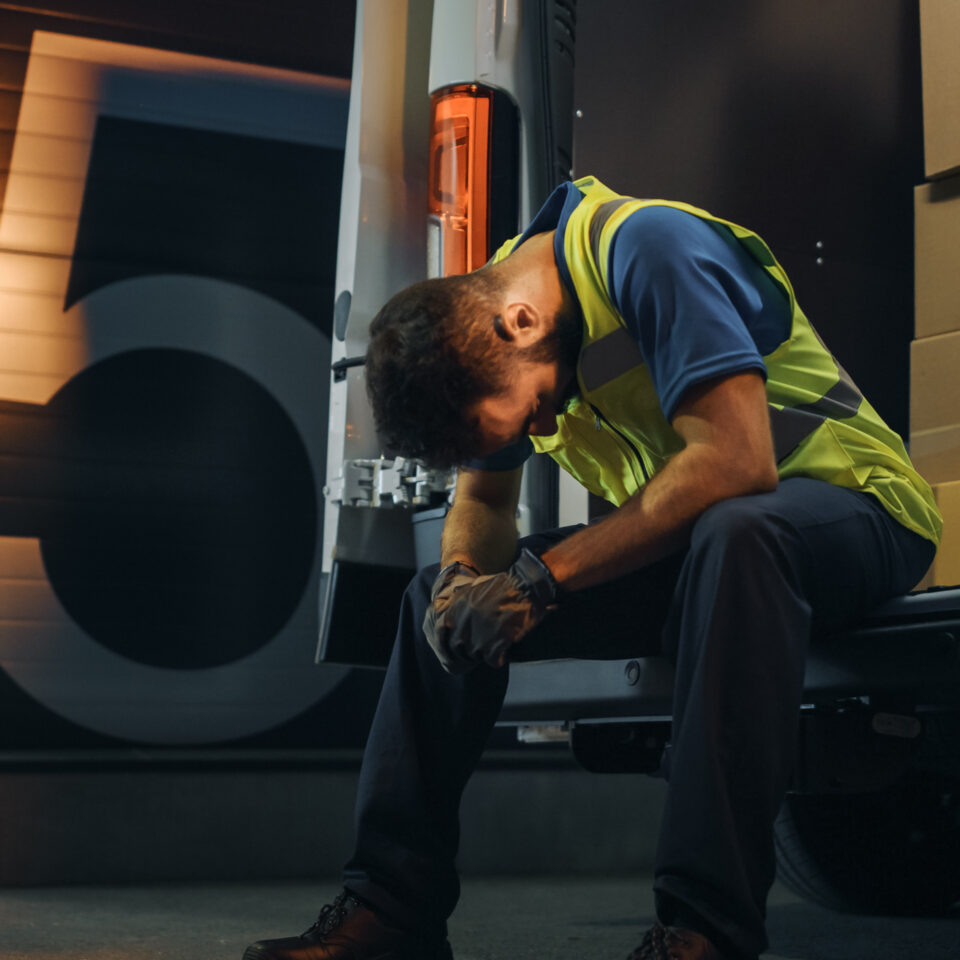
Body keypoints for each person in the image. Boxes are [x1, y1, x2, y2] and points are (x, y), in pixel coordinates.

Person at [243, 176, 940, 960]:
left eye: (532, 409)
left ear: (519, 322)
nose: (545, 422)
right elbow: (486, 501)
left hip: (853, 513)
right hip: (706, 549)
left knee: (740, 533)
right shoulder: (493, 308)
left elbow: (738, 462)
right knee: (428, 597)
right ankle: (391, 910)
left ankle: (702, 930)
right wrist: (465, 582)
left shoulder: (649, 249)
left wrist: (540, 584)